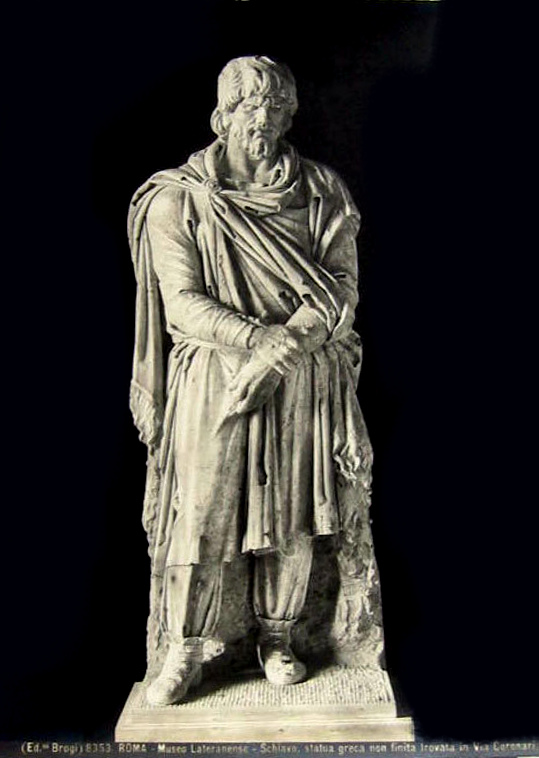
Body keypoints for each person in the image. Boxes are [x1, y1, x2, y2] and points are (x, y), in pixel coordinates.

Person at [128, 55, 378, 707]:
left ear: (290, 116)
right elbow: (182, 302)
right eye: (249, 110)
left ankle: (278, 636)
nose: (262, 122)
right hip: (215, 374)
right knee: (201, 515)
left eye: (276, 110)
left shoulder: (320, 191)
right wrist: (257, 342)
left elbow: (341, 289)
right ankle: (186, 647)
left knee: (291, 515)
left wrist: (284, 349)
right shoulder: (179, 198)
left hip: (297, 374)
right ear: (224, 115)